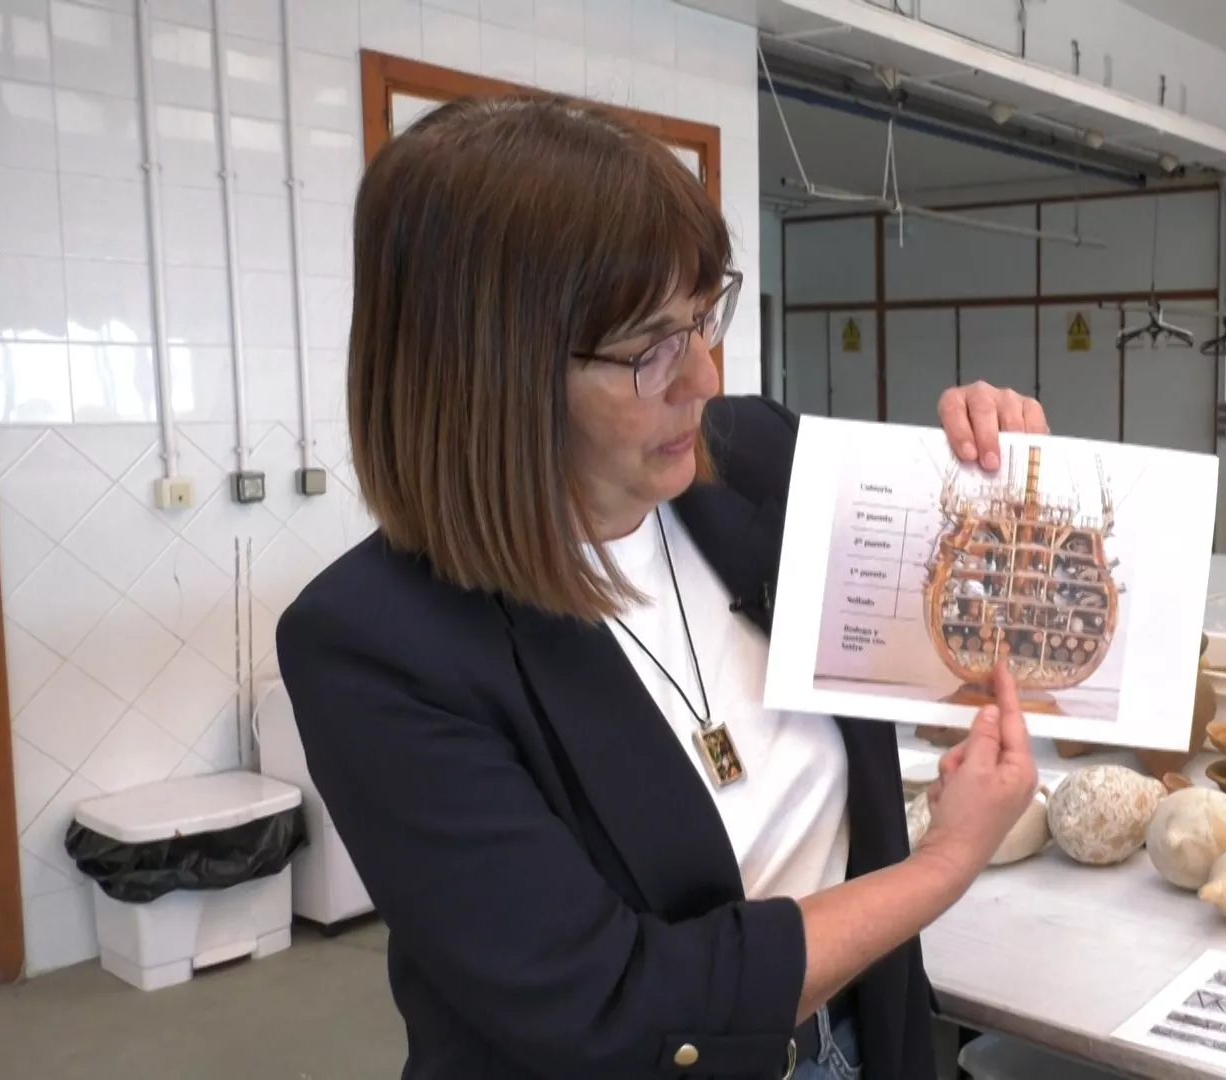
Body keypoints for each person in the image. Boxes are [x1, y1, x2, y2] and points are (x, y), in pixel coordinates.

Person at [276, 94, 1042, 1080]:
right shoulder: (379, 646)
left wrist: (989, 472)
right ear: (489, 377)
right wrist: (943, 864)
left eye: (702, 320)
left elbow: (965, 627)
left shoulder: (751, 461)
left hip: (855, 1039)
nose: (706, 379)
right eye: (649, 350)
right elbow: (618, 1008)